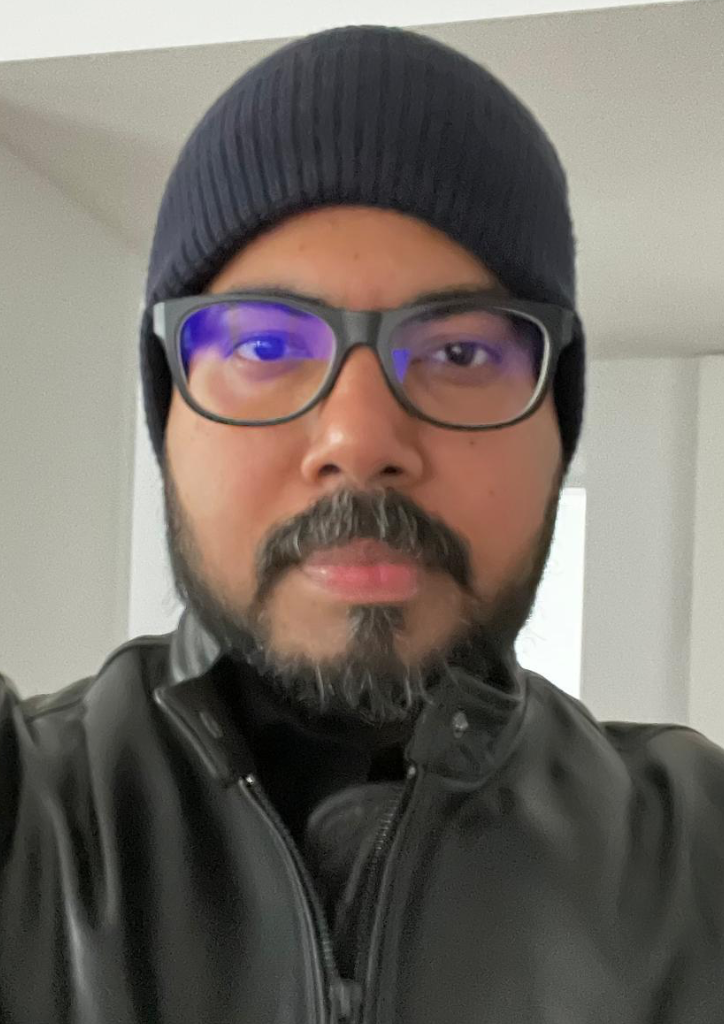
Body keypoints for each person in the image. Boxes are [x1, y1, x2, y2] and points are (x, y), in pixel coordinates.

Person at [1, 23, 722, 1024]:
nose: (359, 438)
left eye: (461, 353)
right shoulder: (23, 821)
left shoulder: (698, 859)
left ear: (558, 426)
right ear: (167, 415)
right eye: (263, 345)